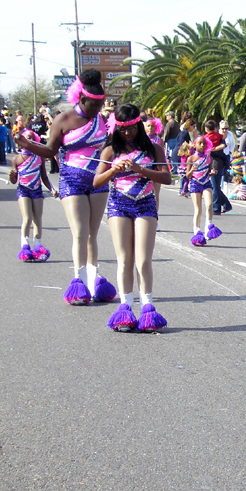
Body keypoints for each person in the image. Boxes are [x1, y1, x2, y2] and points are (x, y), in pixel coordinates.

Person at [13, 68, 117, 306]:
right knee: (79, 233)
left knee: (93, 234)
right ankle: (78, 281)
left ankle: (93, 280)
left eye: (101, 105)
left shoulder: (100, 120)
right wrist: (25, 142)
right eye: (93, 105)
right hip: (71, 179)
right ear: (81, 99)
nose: (97, 110)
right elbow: (50, 152)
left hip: (97, 180)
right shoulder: (63, 119)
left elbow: (109, 147)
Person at [93, 104, 172, 332]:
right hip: (119, 205)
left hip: (146, 204)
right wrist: (113, 170)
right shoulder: (110, 151)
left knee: (143, 260)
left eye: (131, 128)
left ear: (139, 124)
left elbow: (167, 177)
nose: (127, 133)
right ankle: (125, 309)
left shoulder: (154, 149)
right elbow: (97, 182)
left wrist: (140, 169)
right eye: (123, 129)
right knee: (125, 259)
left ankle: (147, 309)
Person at [10, 129, 58, 262]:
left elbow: (44, 176)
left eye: (31, 137)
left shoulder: (39, 157)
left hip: (37, 190)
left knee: (37, 219)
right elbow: (14, 181)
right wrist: (12, 176)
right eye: (26, 137)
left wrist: (52, 189)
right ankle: (25, 246)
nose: (29, 139)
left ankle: (37, 245)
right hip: (23, 190)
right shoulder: (17, 159)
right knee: (27, 218)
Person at [185, 136, 224, 247]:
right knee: (198, 209)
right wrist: (192, 169)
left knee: (209, 204)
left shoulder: (208, 158)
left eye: (204, 144)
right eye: (200, 143)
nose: (202, 146)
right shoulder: (191, 159)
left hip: (206, 183)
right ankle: (197, 230)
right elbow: (187, 176)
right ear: (195, 145)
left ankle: (208, 227)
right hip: (195, 184)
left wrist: (212, 172)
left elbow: (209, 171)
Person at [203, 119, 231, 215]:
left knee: (214, 186)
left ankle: (216, 208)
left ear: (206, 129)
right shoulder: (220, 137)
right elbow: (224, 145)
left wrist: (211, 149)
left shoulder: (206, 138)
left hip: (213, 163)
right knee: (215, 186)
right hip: (220, 162)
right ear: (216, 128)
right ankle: (226, 204)